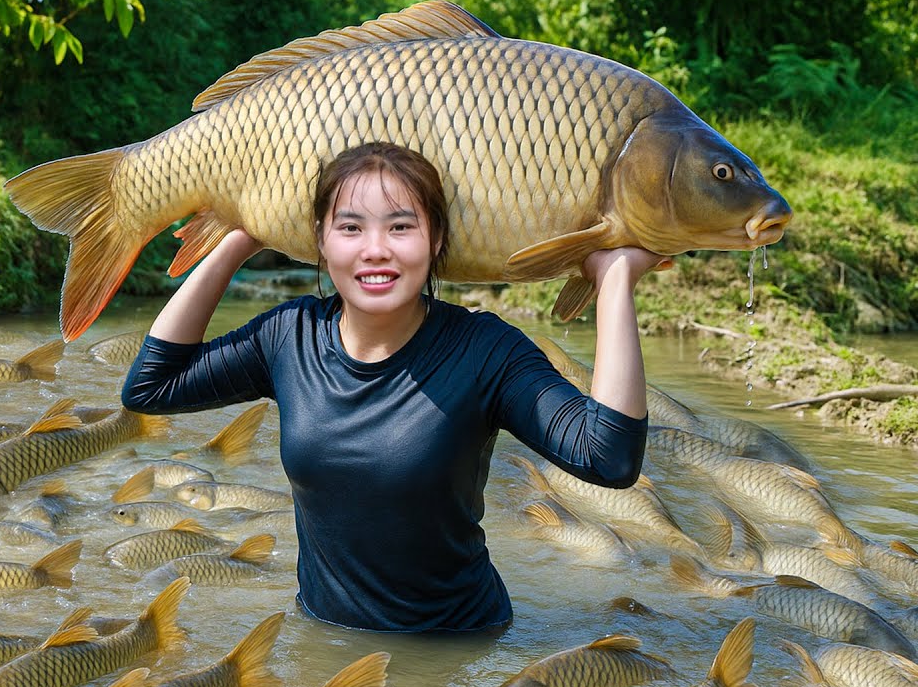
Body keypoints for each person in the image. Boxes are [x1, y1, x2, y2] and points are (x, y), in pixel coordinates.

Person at [122, 142, 670, 633]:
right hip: (322, 638)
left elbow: (610, 458)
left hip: (459, 650)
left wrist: (614, 280)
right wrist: (239, 237)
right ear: (320, 241)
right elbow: (151, 386)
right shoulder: (289, 336)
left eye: (401, 226)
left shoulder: (485, 351)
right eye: (351, 227)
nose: (375, 249)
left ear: (436, 241)